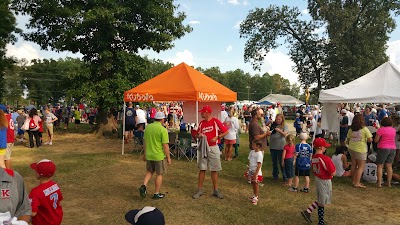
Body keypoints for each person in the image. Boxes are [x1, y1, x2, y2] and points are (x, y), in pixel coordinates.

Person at [192, 105, 228, 199]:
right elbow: (196, 134)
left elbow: (225, 131)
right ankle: (199, 189)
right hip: (204, 148)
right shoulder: (201, 123)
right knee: (202, 168)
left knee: (214, 169)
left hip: (213, 148)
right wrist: (198, 135)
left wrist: (217, 137)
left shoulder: (215, 121)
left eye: (202, 112)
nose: (201, 113)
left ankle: (216, 190)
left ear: (207, 112)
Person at [301, 138, 335, 225]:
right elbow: (332, 171)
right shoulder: (325, 158)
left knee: (321, 198)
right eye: (324, 147)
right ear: (320, 147)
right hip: (325, 180)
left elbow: (313, 169)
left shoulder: (313, 158)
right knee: (323, 200)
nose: (325, 148)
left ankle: (309, 211)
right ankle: (320, 221)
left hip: (318, 178)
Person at [139, 112, 171, 199]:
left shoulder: (148, 128)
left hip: (149, 154)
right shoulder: (162, 129)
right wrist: (168, 157)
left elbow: (144, 142)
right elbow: (165, 145)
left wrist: (145, 153)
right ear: (162, 119)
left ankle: (144, 185)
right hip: (158, 155)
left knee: (150, 171)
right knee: (159, 174)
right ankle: (156, 193)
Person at [29, 159, 63, 225]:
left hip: (44, 222)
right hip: (56, 219)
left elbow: (33, 212)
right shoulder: (55, 185)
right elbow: (59, 199)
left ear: (39, 174)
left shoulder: (35, 192)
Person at [346, 114, 372, 188]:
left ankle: (353, 180)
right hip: (361, 149)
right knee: (361, 166)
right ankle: (357, 182)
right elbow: (370, 139)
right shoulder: (364, 129)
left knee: (354, 164)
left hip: (351, 147)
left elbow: (347, 139)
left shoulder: (351, 129)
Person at [374, 117, 396, 187]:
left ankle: (379, 183)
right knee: (389, 166)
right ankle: (389, 183)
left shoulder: (381, 130)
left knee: (380, 166)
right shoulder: (393, 130)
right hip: (392, 148)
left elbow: (376, 140)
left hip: (383, 147)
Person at [269, 114, 288, 181]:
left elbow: (285, 134)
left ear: (282, 119)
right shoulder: (273, 125)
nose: (278, 121)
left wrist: (279, 130)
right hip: (273, 145)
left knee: (281, 162)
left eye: (279, 119)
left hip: (281, 146)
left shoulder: (284, 125)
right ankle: (275, 175)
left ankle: (285, 176)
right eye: (277, 119)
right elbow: (269, 131)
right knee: (274, 162)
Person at [246, 140, 264, 205]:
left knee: (256, 184)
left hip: (256, 172)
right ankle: (254, 195)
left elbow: (259, 165)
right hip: (251, 170)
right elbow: (249, 160)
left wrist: (256, 174)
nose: (252, 146)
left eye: (253, 145)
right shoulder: (252, 152)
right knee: (253, 183)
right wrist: (247, 169)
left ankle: (256, 197)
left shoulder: (259, 154)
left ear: (258, 146)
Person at [2, 105, 15, 169]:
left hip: (7, 139)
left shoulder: (4, 118)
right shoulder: (9, 117)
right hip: (10, 138)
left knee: (6, 157)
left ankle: (8, 173)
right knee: (7, 157)